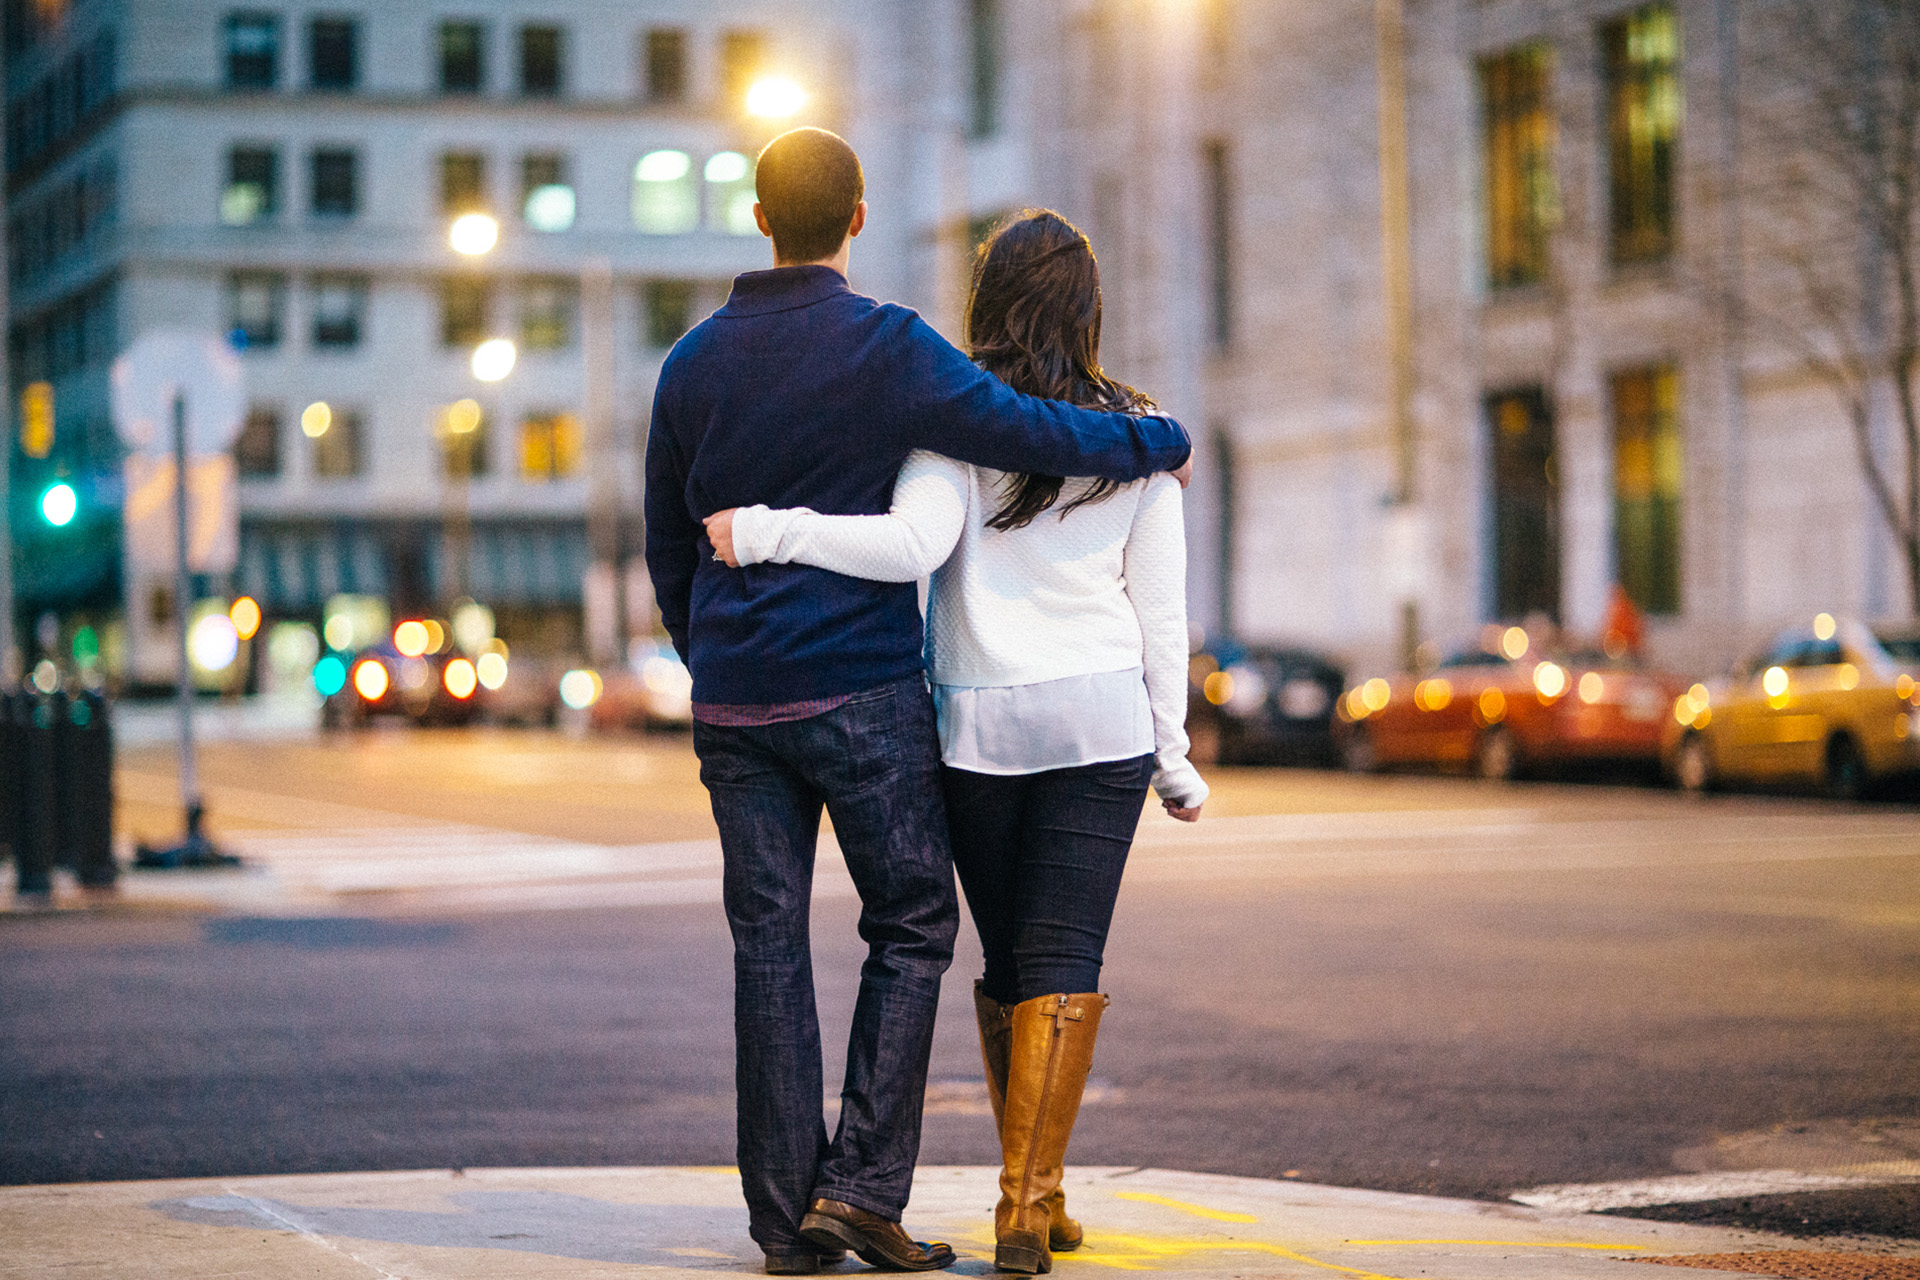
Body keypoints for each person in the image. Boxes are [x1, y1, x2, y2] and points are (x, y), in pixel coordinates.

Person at [643, 131, 1192, 1276]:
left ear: (757, 216)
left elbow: (664, 545)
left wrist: (714, 658)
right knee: (911, 923)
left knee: (768, 945)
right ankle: (863, 1193)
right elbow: (1034, 432)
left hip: (740, 705)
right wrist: (1160, 439)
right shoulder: (888, 345)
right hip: (860, 689)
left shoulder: (688, 364)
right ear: (855, 218)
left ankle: (786, 1222)